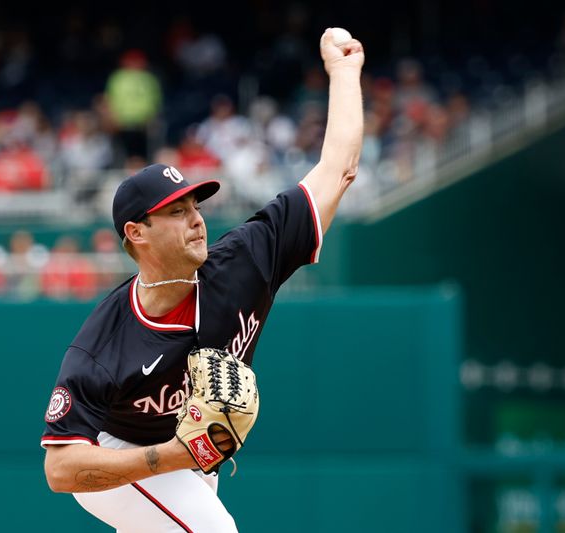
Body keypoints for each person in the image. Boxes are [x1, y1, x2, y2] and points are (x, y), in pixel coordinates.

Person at [41, 29, 364, 533]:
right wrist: (171, 455)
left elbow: (336, 170)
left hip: (189, 462)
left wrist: (344, 73)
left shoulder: (244, 261)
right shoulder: (106, 340)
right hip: (115, 458)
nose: (196, 219)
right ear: (136, 232)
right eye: (175, 211)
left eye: (196, 205)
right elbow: (60, 470)